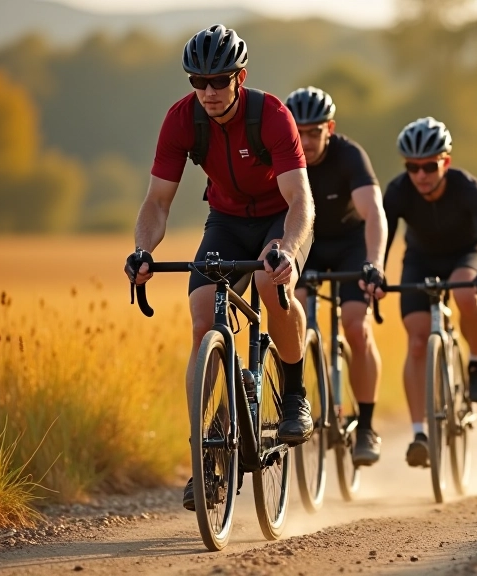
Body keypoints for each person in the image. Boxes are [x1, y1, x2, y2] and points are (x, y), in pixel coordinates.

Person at [124, 25, 315, 511]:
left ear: (239, 77)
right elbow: (157, 204)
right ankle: (203, 457)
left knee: (274, 290)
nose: (208, 91)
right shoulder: (182, 120)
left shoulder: (270, 115)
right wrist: (143, 250)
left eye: (218, 80)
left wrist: (289, 251)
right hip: (227, 220)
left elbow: (299, 200)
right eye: (198, 81)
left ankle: (294, 393)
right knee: (204, 320)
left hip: (279, 217)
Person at [373, 117, 477, 468]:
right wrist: (377, 272)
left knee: (464, 295)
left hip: (466, 254)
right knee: (417, 342)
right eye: (413, 167)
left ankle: (476, 363)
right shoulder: (399, 190)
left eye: (429, 166)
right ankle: (420, 434)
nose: (421, 175)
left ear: (445, 162)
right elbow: (381, 238)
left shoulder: (466, 187)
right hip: (421, 260)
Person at [286, 86, 387, 466]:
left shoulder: (349, 156)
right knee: (290, 312)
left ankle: (366, 426)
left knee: (355, 324)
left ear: (330, 128)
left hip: (349, 247)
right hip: (305, 243)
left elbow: (374, 213)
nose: (307, 141)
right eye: (299, 132)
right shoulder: (282, 153)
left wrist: (374, 261)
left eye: (314, 132)